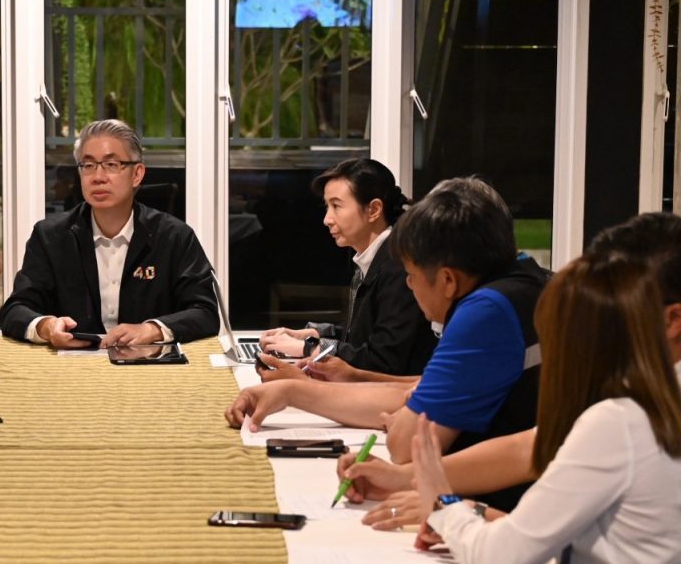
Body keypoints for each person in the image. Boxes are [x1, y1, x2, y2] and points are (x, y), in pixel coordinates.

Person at [336, 211, 681, 530]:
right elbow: (534, 448)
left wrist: (454, 512)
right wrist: (409, 480)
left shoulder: (629, 414)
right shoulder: (636, 390)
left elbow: (524, 546)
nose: (596, 328)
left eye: (611, 310)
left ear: (672, 320)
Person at [226, 178, 548, 510]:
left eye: (411, 275)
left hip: (502, 509)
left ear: (448, 280)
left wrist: (405, 418)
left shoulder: (484, 314)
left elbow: (404, 445)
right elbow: (413, 393)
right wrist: (293, 392)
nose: (408, 285)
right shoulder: (527, 283)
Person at [412, 254, 681, 564]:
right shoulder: (651, 408)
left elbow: (496, 562)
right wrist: (470, 523)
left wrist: (444, 504)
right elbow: (611, 561)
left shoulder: (619, 421)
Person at [0, 119, 219, 349]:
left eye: (111, 164)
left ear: (137, 174)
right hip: (72, 364)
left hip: (148, 365)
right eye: (88, 165)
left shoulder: (174, 237)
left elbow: (205, 312)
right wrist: (47, 327)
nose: (98, 177)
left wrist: (152, 330)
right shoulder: (50, 236)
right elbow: (16, 309)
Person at [258, 158, 435, 376]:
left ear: (374, 210)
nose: (327, 219)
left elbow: (383, 361)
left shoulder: (399, 265)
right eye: (327, 207)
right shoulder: (375, 256)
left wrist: (310, 349)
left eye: (337, 206)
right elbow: (363, 335)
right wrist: (313, 335)